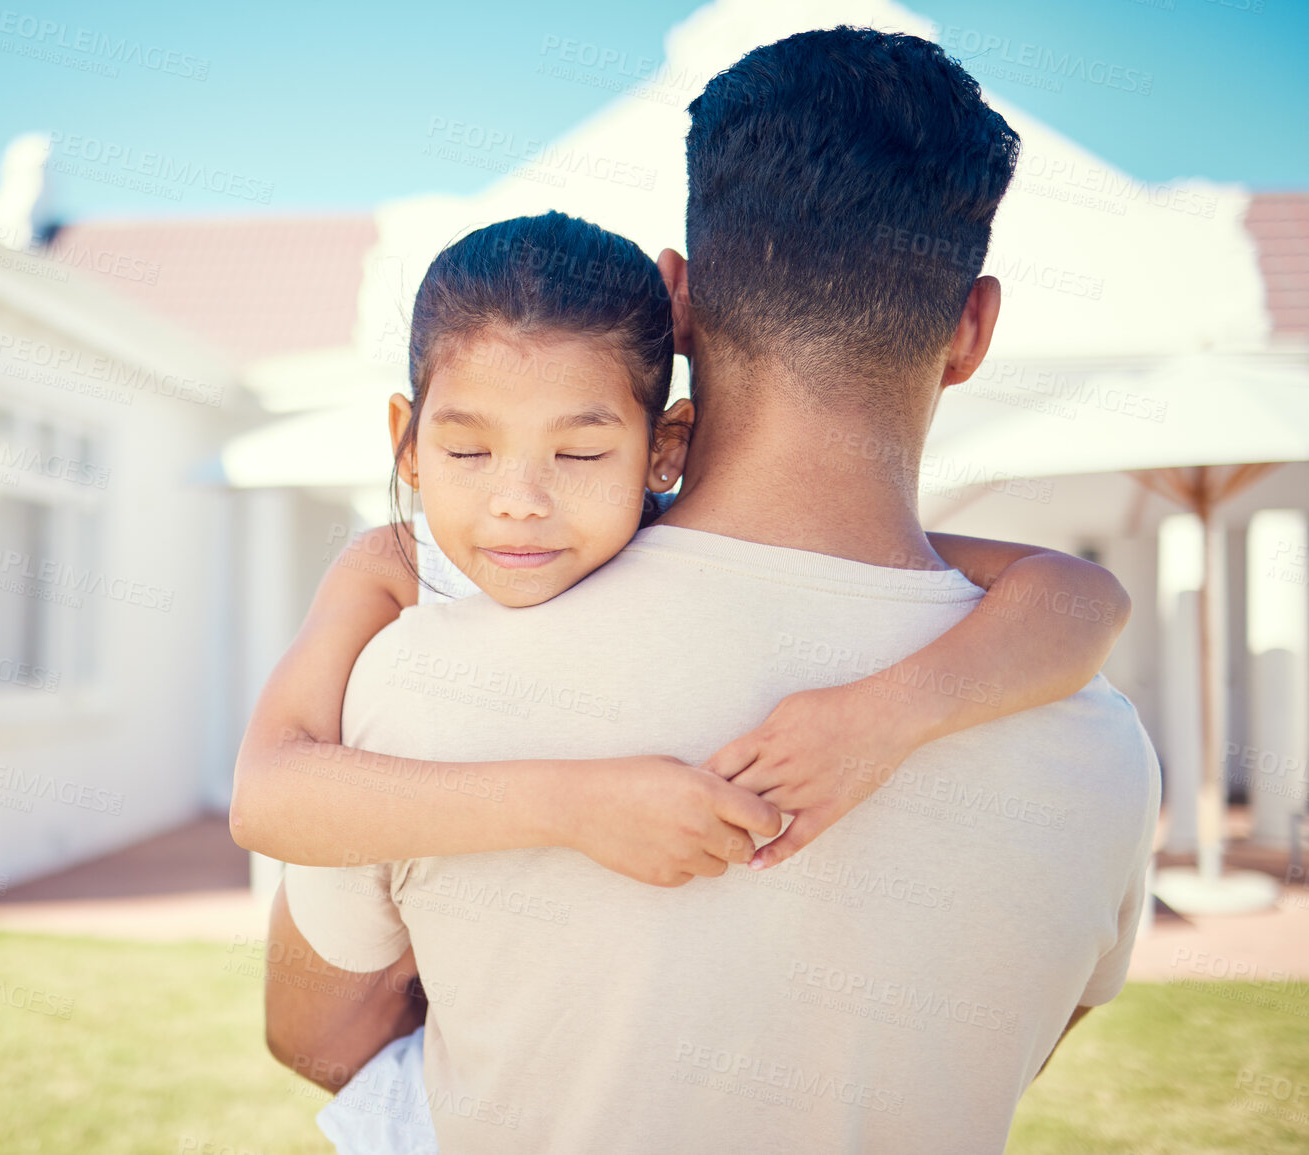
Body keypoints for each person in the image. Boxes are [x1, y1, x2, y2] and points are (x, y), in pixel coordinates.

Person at [258, 27, 1158, 1154]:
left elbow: (317, 1037)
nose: (519, 502)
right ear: (973, 329)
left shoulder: (417, 676)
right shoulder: (1099, 744)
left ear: (677, 301)